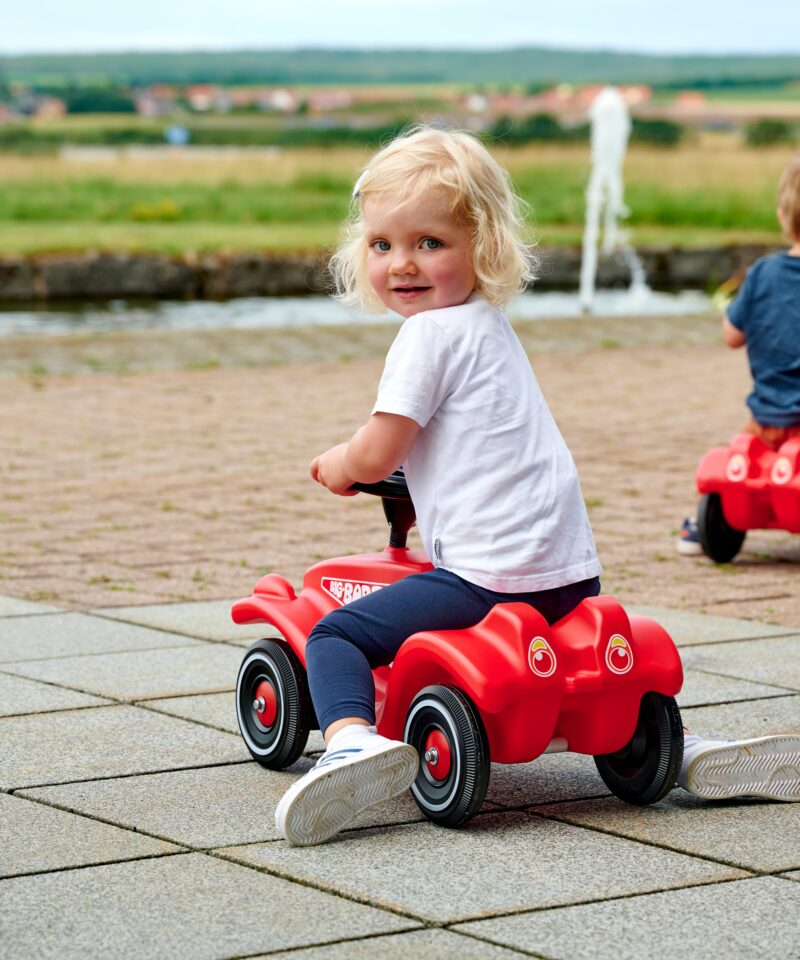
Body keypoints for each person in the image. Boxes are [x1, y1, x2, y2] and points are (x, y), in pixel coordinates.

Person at [275, 128, 799, 846]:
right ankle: (678, 753)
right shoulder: (488, 326)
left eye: (430, 242)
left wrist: (339, 464)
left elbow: (378, 451)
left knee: (335, 635)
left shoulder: (424, 338)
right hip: (570, 576)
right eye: (382, 245)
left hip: (486, 578)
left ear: (482, 245)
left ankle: (350, 741)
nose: (402, 264)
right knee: (592, 666)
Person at [678, 153, 800, 555]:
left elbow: (731, 335)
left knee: (738, 454)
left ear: (784, 215)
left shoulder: (762, 273)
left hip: (765, 420)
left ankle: (702, 525)